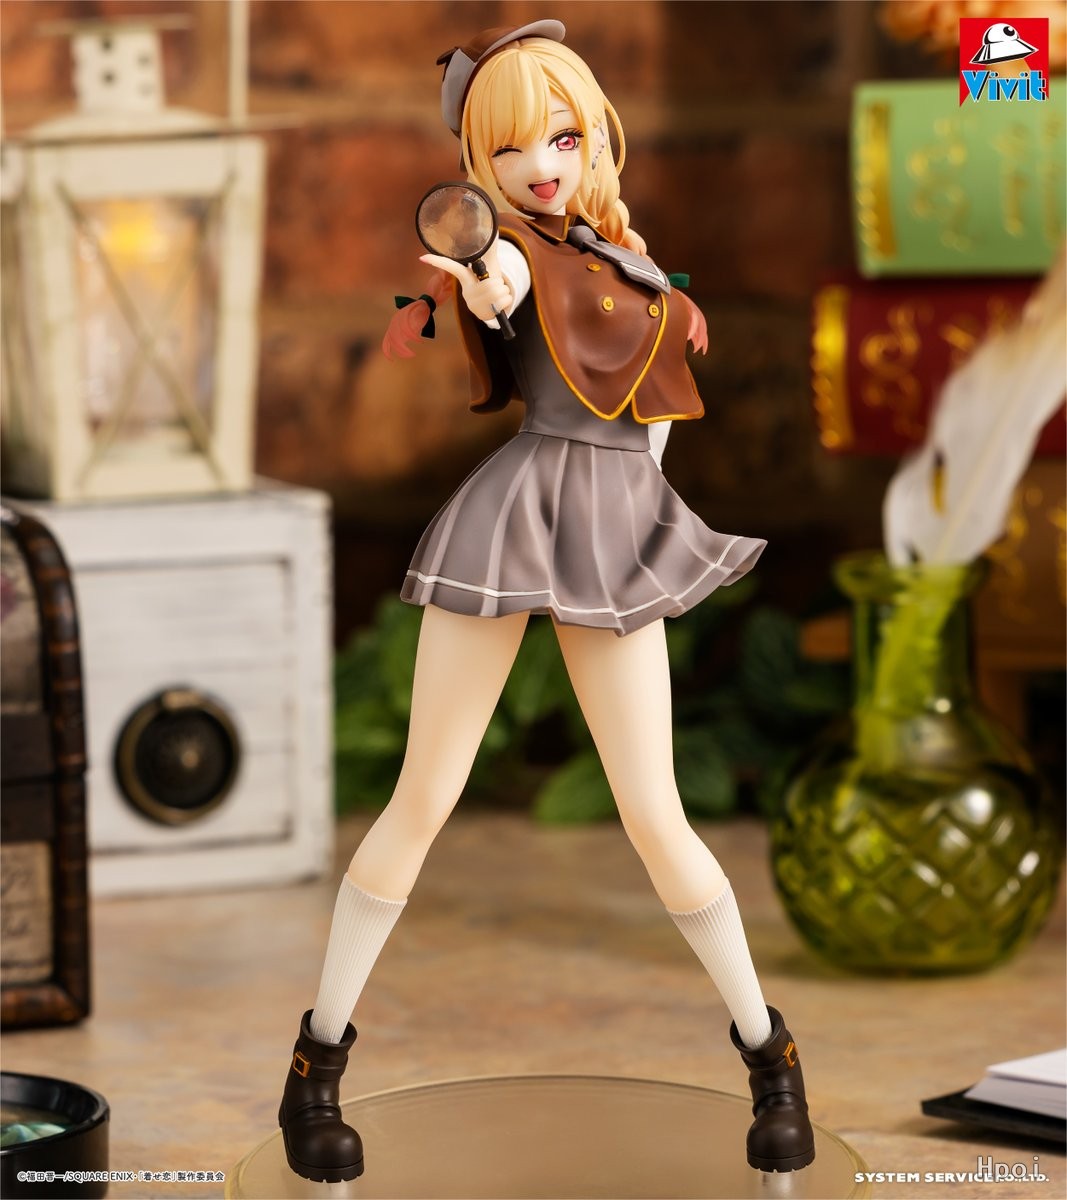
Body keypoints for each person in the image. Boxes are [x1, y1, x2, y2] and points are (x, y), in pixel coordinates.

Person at [278, 20, 815, 1184]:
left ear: (591, 139)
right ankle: (316, 1062)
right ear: (479, 161)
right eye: (511, 147)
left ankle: (768, 1053)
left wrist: (647, 515)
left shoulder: (622, 259)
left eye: (561, 137)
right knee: (423, 795)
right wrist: (478, 272)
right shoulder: (513, 254)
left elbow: (654, 411)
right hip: (518, 516)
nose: (540, 165)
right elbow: (495, 287)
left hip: (613, 528)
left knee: (655, 815)